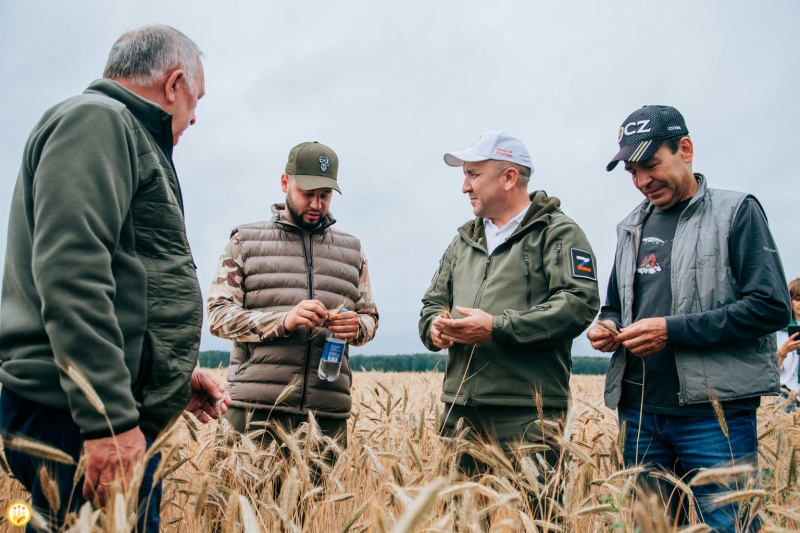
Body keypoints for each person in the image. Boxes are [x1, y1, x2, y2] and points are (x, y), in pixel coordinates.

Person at [0, 25, 230, 532]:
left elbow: (124, 279)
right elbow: (75, 273)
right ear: (173, 85)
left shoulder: (118, 131)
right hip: (76, 417)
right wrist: (107, 420)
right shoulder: (98, 122)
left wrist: (165, 374)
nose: (194, 117)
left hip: (89, 410)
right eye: (196, 99)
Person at [587, 105, 791, 532]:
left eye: (650, 165)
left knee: (726, 526)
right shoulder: (631, 227)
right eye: (632, 172)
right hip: (640, 412)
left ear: (685, 149)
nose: (642, 181)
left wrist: (671, 331)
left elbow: (771, 307)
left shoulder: (737, 212)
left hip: (713, 415)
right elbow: (613, 307)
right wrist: (605, 327)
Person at [419, 131, 600, 479]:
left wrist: (497, 328)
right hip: (461, 413)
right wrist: (435, 328)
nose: (465, 187)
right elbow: (432, 303)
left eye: (473, 175)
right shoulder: (463, 241)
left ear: (509, 177)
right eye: (465, 176)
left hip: (529, 416)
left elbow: (579, 303)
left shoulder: (558, 233)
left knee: (534, 520)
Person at [207, 141, 378, 458]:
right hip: (253, 414)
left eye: (325, 195)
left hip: (326, 419)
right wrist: (283, 321)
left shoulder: (353, 250)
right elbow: (218, 316)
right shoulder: (244, 241)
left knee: (319, 509)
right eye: (308, 193)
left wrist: (357, 326)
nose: (317, 203)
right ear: (285, 182)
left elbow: (370, 318)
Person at [776, 278, 800, 410]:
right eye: (798, 299)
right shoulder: (779, 330)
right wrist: (782, 352)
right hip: (786, 393)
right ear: (789, 300)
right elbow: (772, 370)